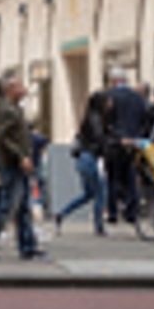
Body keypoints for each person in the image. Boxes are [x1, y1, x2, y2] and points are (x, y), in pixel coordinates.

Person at [0, 77, 44, 260]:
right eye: (20, 86)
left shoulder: (14, 109)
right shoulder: (7, 110)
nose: (24, 88)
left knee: (23, 208)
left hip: (18, 163)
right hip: (12, 164)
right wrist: (20, 156)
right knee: (7, 207)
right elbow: (0, 136)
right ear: (10, 90)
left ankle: (27, 245)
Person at [55, 90, 107, 235]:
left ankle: (62, 213)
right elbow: (99, 138)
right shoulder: (96, 119)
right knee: (100, 193)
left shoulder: (87, 119)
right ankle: (99, 226)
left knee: (88, 194)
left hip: (82, 159)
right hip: (90, 158)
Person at [104, 69, 150, 225]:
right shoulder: (138, 98)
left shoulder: (109, 96)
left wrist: (117, 137)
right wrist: (137, 137)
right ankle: (131, 212)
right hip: (134, 142)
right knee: (131, 177)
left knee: (112, 178)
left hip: (114, 144)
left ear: (114, 80)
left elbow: (105, 121)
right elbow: (146, 120)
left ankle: (113, 212)